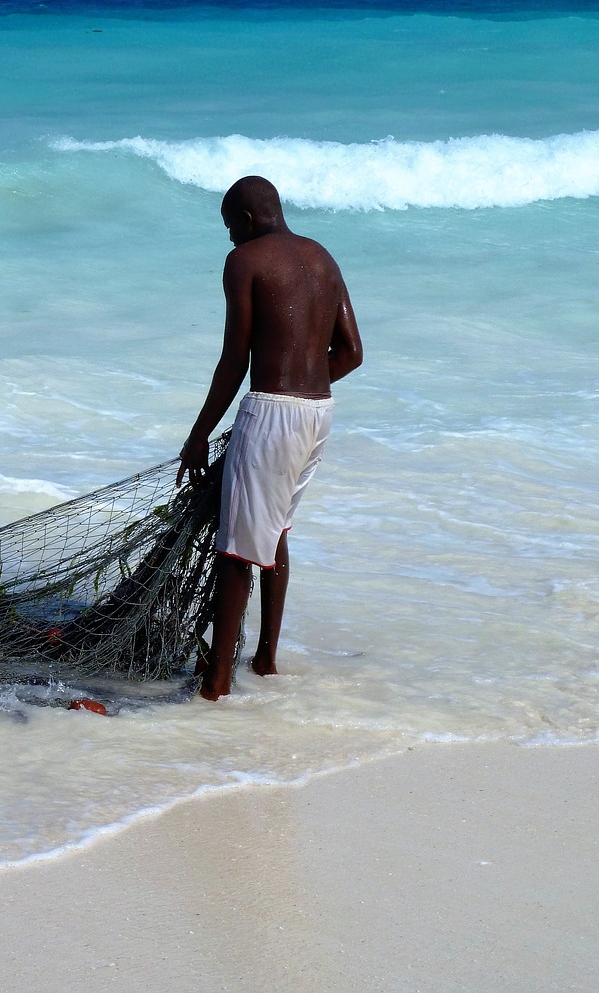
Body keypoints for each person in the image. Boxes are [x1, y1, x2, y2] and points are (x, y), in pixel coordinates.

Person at [176, 176, 363, 701]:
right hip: (319, 414)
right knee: (276, 530)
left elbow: (236, 358)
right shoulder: (323, 258)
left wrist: (198, 436)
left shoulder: (246, 261)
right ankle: (264, 660)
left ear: (251, 219)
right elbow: (351, 352)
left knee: (236, 550)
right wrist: (305, 389)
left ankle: (216, 685)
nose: (231, 238)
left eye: (231, 226)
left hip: (272, 414)